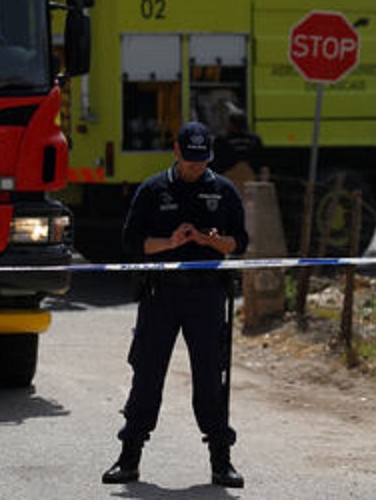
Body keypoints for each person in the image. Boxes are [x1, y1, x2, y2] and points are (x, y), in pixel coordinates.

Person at [102, 121, 248, 488]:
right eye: (190, 160)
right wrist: (169, 242)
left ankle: (221, 461)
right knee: (147, 375)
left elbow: (239, 244)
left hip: (206, 295)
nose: (195, 167)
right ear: (176, 151)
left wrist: (212, 241)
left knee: (210, 379)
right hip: (161, 295)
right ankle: (129, 458)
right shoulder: (153, 190)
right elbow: (132, 242)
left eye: (202, 161)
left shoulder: (223, 190)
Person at [210, 111, 265, 185]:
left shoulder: (221, 140)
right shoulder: (255, 139)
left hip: (228, 179)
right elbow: (260, 160)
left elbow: (216, 161)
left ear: (232, 124)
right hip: (251, 180)